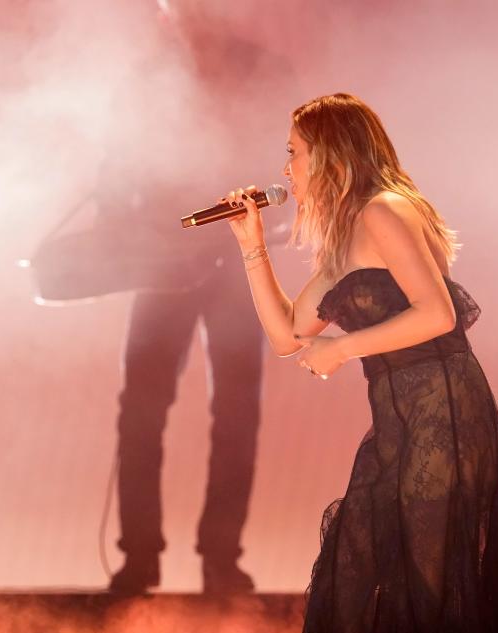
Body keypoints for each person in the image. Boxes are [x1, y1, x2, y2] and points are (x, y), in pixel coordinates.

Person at [225, 93, 498, 631]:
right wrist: (252, 245)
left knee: (431, 581)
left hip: (446, 416)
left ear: (332, 155)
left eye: (295, 152)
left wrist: (342, 349)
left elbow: (438, 314)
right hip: (399, 423)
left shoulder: (384, 210)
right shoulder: (345, 238)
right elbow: (286, 336)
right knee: (356, 561)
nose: (285, 169)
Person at [103, 1, 292, 596]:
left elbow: (291, 168)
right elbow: (113, 170)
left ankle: (210, 557)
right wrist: (125, 228)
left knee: (227, 411)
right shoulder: (143, 76)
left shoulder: (258, 69)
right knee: (149, 410)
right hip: (167, 264)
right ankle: (149, 557)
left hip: (236, 263)